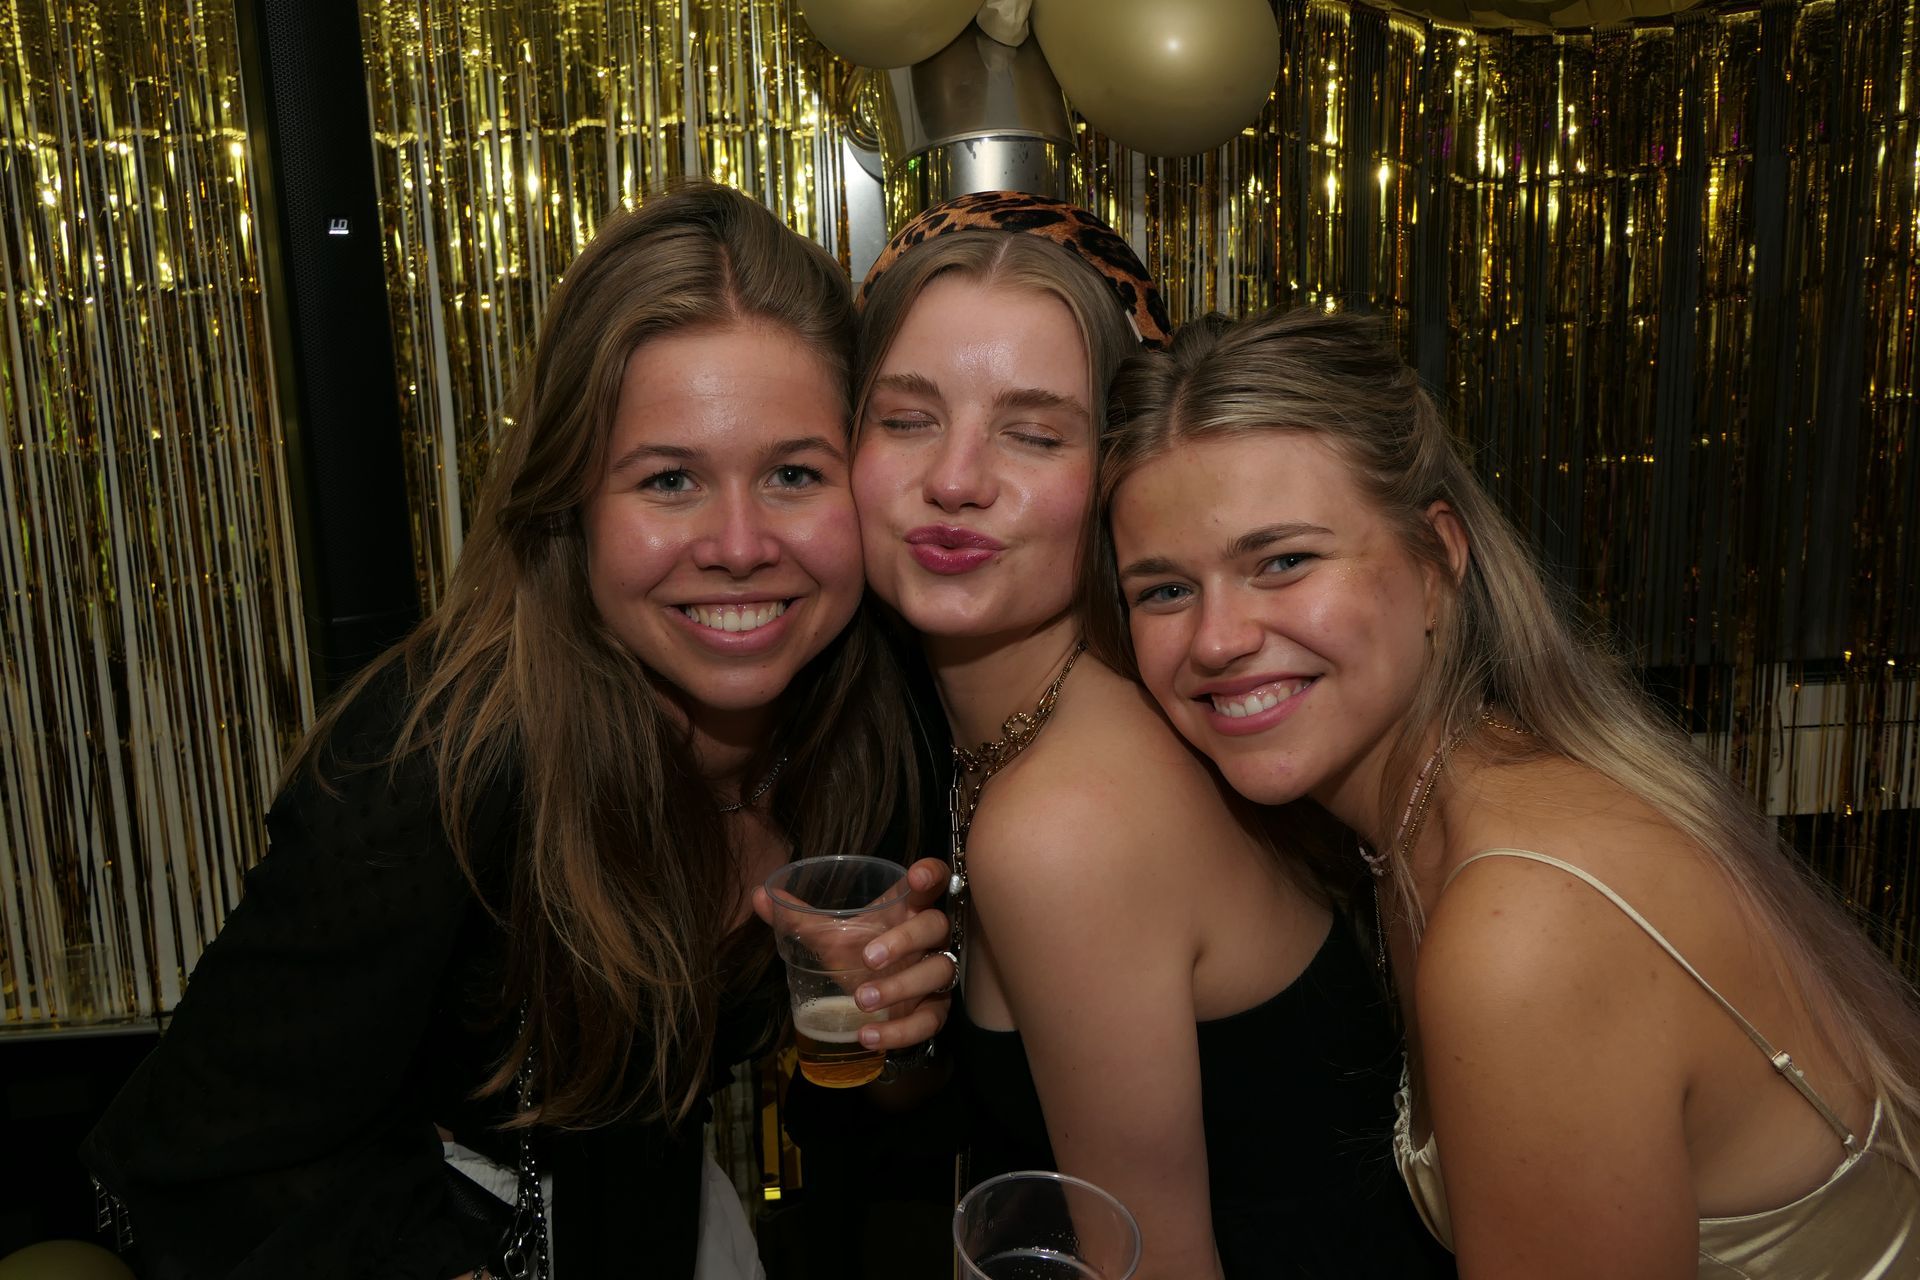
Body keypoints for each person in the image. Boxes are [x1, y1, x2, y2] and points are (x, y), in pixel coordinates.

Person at [81, 182, 955, 1279]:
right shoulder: (439, 765)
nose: (739, 544)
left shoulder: (874, 728)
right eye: (668, 478)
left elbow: (868, 1133)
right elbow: (182, 1163)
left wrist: (897, 1033)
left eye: (793, 473)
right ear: (570, 505)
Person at [1096, 306, 1920, 1279]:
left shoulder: (1524, 924)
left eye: (1283, 561)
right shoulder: (1450, 803)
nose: (1217, 638)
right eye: (1164, 590)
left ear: (1437, 559)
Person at [851, 193, 1452, 1279]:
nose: (955, 479)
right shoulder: (1046, 726)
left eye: (1034, 433)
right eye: (905, 419)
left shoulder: (1066, 820)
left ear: (1121, 479)